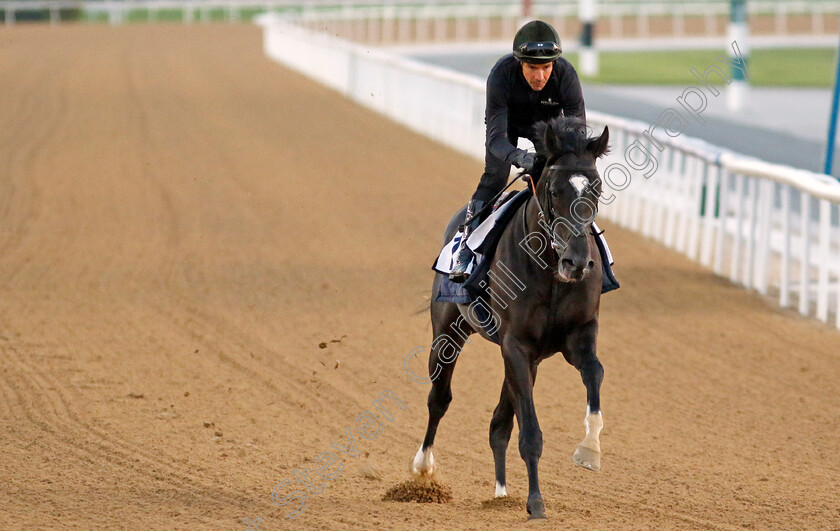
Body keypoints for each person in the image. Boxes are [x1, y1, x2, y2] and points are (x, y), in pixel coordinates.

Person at [449, 20, 586, 283]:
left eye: (546, 67)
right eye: (532, 68)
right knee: (496, 177)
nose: (540, 76)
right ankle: (465, 248)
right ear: (519, 63)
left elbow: (578, 133)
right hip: (507, 127)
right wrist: (520, 157)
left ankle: (581, 244)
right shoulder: (501, 75)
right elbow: (496, 140)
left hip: (546, 129)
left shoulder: (566, 75)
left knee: (565, 181)